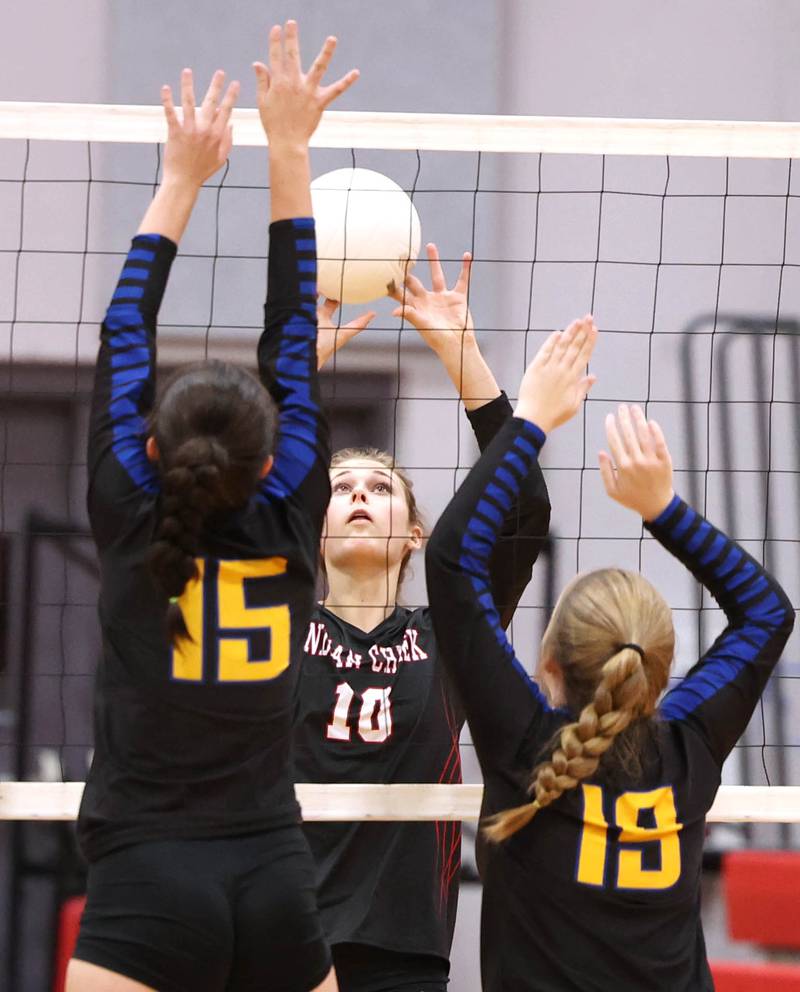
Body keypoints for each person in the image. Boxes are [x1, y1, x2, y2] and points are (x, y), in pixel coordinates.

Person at [67, 22, 358, 992]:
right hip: (276, 873)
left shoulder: (131, 508)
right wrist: (290, 150)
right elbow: (290, 328)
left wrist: (181, 174)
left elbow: (120, 330)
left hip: (148, 877)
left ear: (150, 451)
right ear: (274, 457)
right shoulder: (287, 509)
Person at [425, 318, 795, 991]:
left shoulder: (525, 741)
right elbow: (769, 610)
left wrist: (532, 417)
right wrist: (663, 508)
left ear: (548, 666)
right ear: (660, 667)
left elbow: (453, 560)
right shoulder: (688, 747)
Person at [292, 247, 552, 992]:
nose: (363, 494)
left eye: (382, 486)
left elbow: (523, 513)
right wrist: (290, 379)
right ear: (313, 523)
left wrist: (462, 354)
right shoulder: (274, 626)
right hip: (280, 938)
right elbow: (248, 507)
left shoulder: (448, 639)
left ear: (414, 533)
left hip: (403, 952)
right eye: (343, 487)